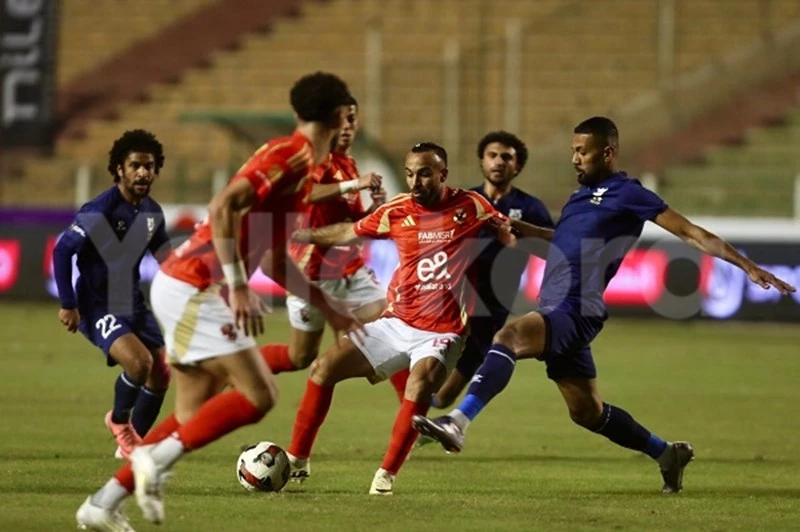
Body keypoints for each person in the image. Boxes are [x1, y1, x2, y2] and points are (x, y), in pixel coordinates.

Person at [412, 116, 797, 494]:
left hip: (577, 306)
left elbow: (692, 233)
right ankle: (667, 453)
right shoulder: (580, 196)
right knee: (586, 412)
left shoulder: (630, 194)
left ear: (608, 152)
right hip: (559, 305)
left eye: (583, 151)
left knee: (509, 335)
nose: (575, 158)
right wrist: (525, 231)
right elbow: (561, 245)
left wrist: (747, 265)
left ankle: (459, 421)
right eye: (573, 151)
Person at [76, 72, 356, 531]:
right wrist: (238, 283)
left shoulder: (304, 169)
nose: (351, 124)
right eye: (348, 115)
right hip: (195, 284)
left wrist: (329, 308)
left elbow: (273, 256)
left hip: (187, 285)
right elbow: (225, 204)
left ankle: (102, 505)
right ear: (338, 115)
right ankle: (155, 463)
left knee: (190, 414)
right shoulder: (291, 154)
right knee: (259, 394)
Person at [283, 142, 540, 496]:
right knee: (322, 368)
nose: (415, 181)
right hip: (395, 322)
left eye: (423, 173)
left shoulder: (471, 205)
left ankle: (384, 477)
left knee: (420, 385)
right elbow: (348, 231)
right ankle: (296, 460)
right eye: (409, 173)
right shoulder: (397, 210)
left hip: (444, 331)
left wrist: (516, 239)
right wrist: (304, 235)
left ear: (442, 174)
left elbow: (507, 228)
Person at [259, 97, 408, 398]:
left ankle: (415, 412)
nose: (346, 126)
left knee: (393, 327)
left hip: (351, 275)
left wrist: (374, 211)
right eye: (339, 119)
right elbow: (304, 192)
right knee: (299, 357)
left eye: (352, 119)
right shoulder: (316, 158)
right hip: (312, 276)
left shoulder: (348, 164)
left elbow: (350, 226)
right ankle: (237, 367)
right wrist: (353, 186)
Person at [53, 129, 171, 460]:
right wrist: (68, 304)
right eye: (135, 165)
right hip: (96, 304)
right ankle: (119, 423)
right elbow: (63, 252)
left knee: (162, 372)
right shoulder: (100, 209)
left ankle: (134, 446)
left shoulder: (152, 213)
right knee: (139, 363)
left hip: (130, 299)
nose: (143, 172)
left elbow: (167, 259)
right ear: (119, 169)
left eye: (149, 166)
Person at [429, 131, 553, 410]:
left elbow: (552, 249)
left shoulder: (530, 208)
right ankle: (410, 426)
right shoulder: (464, 201)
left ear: (517, 166)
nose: (499, 162)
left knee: (446, 395)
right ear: (482, 162)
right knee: (428, 371)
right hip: (454, 298)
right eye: (492, 155)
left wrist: (516, 239)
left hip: (494, 306)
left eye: (507, 157)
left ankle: (428, 421)